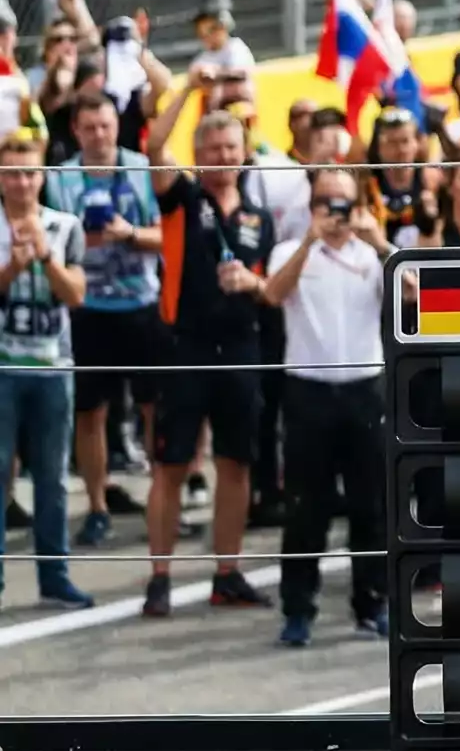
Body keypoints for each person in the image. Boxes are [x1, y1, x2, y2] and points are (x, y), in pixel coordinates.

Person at [141, 80, 278, 618]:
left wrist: (251, 283)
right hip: (185, 347)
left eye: (230, 148)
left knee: (236, 465)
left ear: (244, 154)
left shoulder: (259, 219)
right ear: (198, 156)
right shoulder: (181, 197)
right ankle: (159, 576)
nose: (222, 157)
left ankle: (228, 571)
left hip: (242, 348)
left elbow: (269, 286)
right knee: (170, 465)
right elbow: (154, 147)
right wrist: (188, 88)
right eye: (212, 149)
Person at [259, 165, 389, 647]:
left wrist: (379, 242)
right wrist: (310, 242)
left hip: (364, 389)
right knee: (305, 509)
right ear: (311, 207)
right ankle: (298, 610)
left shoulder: (372, 255)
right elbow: (271, 294)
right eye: (324, 203)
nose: (333, 213)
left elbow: (416, 292)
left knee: (370, 505)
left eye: (343, 204)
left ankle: (372, 603)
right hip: (308, 390)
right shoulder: (289, 251)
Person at [47, 89, 160, 549]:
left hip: (141, 306)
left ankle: (161, 498)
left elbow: (165, 236)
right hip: (88, 310)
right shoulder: (60, 179)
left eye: (106, 126)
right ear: (76, 130)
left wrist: (128, 233)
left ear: (118, 126)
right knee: (90, 413)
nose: (98, 135)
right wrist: (87, 242)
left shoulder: (140, 168)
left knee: (154, 409)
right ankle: (97, 507)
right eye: (89, 127)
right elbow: (52, 246)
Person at [0, 129, 91, 609]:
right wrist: (11, 269)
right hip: (2, 370)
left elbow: (76, 294)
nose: (21, 182)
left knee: (52, 479)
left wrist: (44, 256)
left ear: (42, 176)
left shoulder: (64, 226)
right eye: (12, 173)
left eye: (29, 172)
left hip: (53, 369)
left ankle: (54, 576)